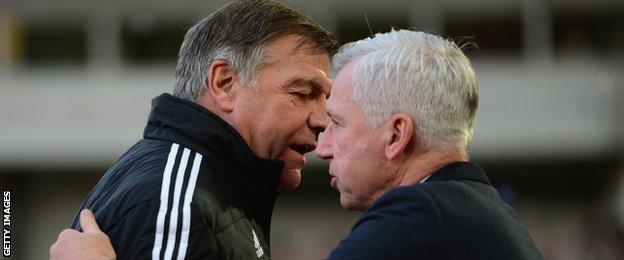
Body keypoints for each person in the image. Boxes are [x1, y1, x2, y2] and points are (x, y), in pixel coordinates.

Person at [51, 29, 544, 259]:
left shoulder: (412, 226)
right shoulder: (479, 213)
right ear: (223, 83)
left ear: (396, 135)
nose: (322, 142)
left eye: (338, 122)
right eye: (303, 93)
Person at [51, 0, 339, 259]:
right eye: (303, 93)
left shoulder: (203, 188)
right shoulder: (179, 203)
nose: (322, 120)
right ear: (224, 83)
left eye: (324, 98)